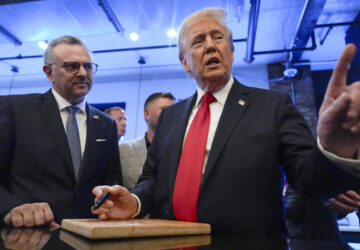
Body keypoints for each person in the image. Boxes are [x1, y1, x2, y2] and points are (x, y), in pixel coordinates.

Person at [92, 8, 360, 238]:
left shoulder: (273, 106)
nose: (210, 45)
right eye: (198, 41)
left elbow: (309, 180)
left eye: (218, 37)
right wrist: (135, 202)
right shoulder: (170, 117)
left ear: (230, 53)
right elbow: (152, 178)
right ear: (185, 63)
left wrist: (332, 150)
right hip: (169, 242)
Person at [0, 35, 122, 228]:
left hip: (88, 236)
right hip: (29, 236)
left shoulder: (106, 124)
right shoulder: (14, 109)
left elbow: (112, 180)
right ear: (49, 73)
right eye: (72, 66)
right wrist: (11, 208)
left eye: (88, 66)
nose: (83, 73)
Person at [119, 92, 175, 190]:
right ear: (147, 114)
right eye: (165, 109)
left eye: (174, 110)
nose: (172, 114)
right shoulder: (123, 150)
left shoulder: (182, 150)